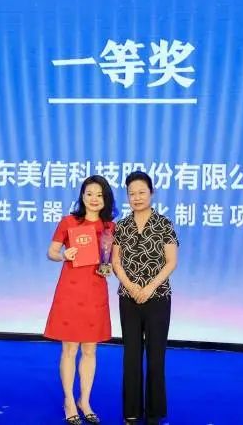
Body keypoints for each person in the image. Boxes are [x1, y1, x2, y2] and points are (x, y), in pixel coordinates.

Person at [44, 175, 117, 425]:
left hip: (96, 291)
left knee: (90, 349)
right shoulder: (69, 222)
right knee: (70, 349)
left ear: (106, 199)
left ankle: (84, 401)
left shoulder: (110, 227)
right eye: (89, 194)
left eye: (99, 195)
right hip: (71, 292)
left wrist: (112, 268)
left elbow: (113, 260)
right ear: (82, 196)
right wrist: (64, 255)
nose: (94, 199)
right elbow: (51, 252)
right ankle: (68, 400)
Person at [111, 171, 179, 425]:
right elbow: (116, 262)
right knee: (131, 355)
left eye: (141, 192)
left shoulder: (164, 224)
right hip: (128, 298)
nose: (137, 197)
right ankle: (131, 411)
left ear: (151, 193)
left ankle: (153, 413)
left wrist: (149, 287)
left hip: (158, 297)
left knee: (155, 356)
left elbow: (171, 262)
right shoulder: (122, 226)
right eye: (132, 193)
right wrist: (130, 286)